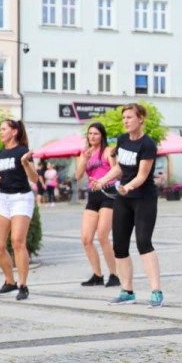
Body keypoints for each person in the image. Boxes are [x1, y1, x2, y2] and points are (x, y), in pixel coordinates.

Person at [91, 104, 163, 307]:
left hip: (144, 197)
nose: (126, 121)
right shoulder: (122, 140)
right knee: (119, 245)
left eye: (130, 117)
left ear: (140, 119)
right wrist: (103, 179)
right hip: (123, 198)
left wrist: (128, 187)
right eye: (124, 117)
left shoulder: (148, 144)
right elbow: (120, 168)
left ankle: (156, 291)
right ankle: (127, 291)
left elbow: (142, 175)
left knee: (143, 242)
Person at [0, 119, 40, 301]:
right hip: (3, 199)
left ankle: (23, 285)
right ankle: (9, 282)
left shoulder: (23, 152)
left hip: (21, 198)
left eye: (3, 129)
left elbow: (34, 179)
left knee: (18, 241)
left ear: (14, 132)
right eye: (0, 129)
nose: (0, 132)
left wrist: (26, 163)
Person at [76, 122, 121, 288]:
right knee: (86, 238)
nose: (92, 137)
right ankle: (97, 274)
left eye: (95, 133)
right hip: (92, 195)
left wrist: (103, 181)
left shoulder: (108, 152)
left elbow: (116, 170)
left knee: (102, 236)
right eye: (90, 134)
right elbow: (78, 175)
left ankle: (114, 274)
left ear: (102, 135)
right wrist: (84, 159)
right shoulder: (86, 153)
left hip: (108, 193)